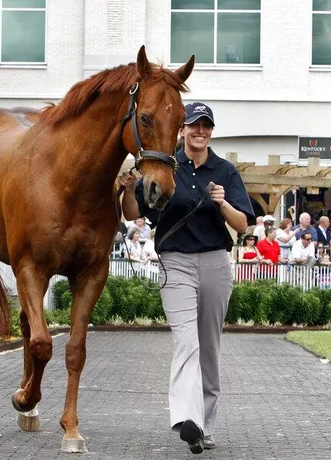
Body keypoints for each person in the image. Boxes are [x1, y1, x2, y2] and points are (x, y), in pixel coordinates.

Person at [118, 101, 253, 454]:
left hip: (214, 263)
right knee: (186, 341)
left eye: (206, 125)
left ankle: (206, 426)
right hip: (175, 263)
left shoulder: (224, 170)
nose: (200, 131)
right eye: (194, 124)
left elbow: (242, 224)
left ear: (211, 131)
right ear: (182, 129)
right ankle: (187, 419)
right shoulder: (166, 166)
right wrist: (127, 187)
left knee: (208, 347)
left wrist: (223, 204)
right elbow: (134, 213)